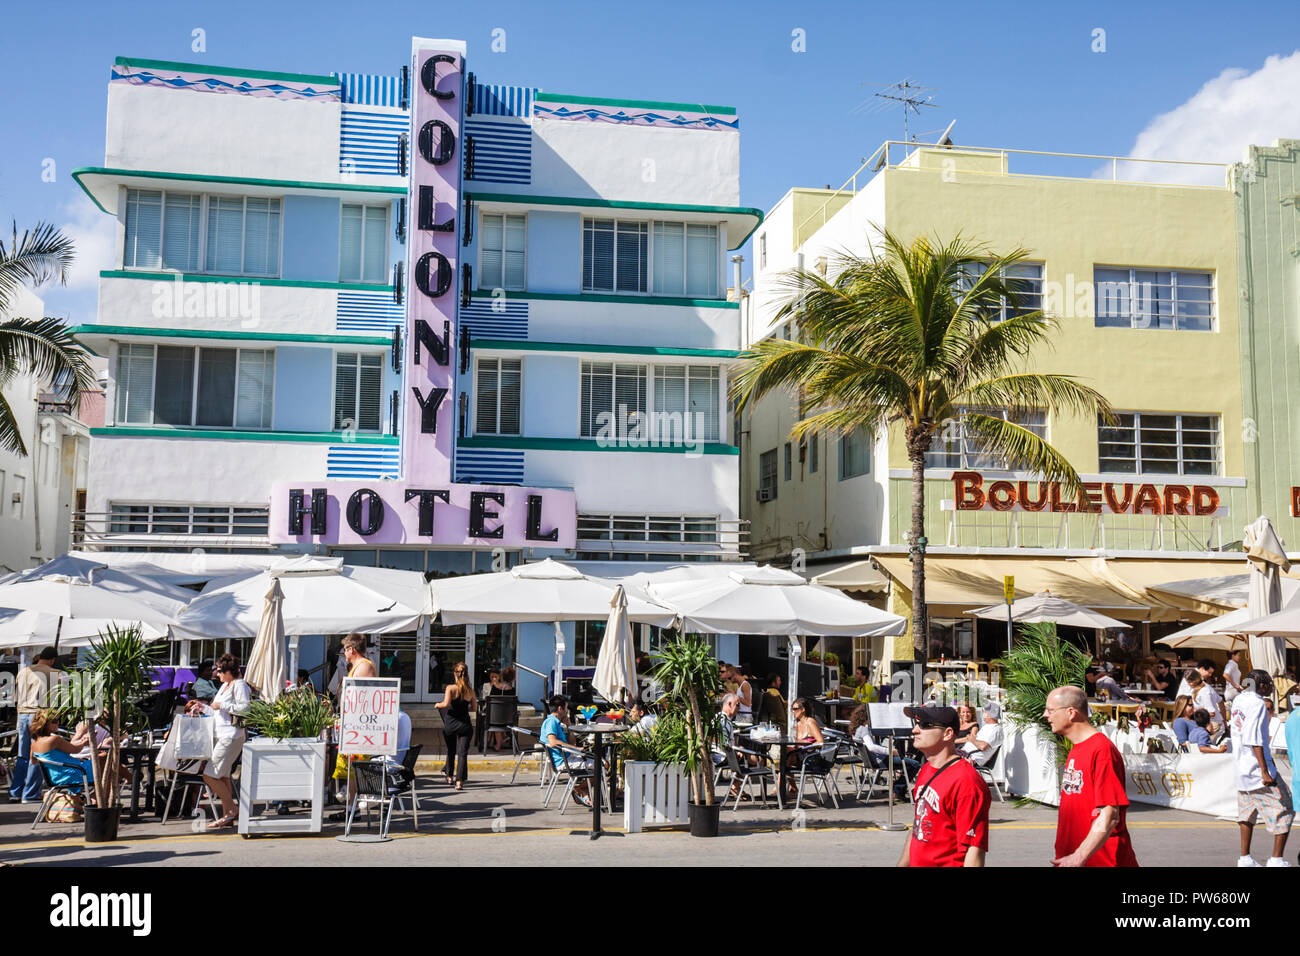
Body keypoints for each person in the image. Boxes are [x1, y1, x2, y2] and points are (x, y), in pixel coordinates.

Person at [1043, 685, 1139, 867]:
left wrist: (1079, 856)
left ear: (1071, 712)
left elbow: (1109, 814)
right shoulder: (1077, 750)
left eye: (1050, 710)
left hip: (1103, 861)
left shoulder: (1102, 750)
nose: (1045, 715)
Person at [896, 705, 990, 867]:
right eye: (916, 724)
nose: (915, 730)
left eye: (925, 725)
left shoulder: (967, 781)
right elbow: (917, 827)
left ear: (947, 734)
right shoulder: (926, 769)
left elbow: (974, 849)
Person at [1230, 669, 1293, 867]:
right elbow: (1254, 738)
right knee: (1286, 809)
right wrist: (1265, 770)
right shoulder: (1257, 703)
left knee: (1247, 813)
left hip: (1241, 768)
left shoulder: (1238, 700)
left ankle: (1245, 858)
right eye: (1268, 684)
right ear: (1262, 685)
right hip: (1257, 769)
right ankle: (1276, 860)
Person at [185, 653, 250, 830]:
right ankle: (227, 815)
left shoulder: (239, 685)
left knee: (209, 774)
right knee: (222, 776)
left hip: (231, 736)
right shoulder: (224, 686)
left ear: (230, 672)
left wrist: (221, 705)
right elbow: (215, 711)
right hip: (221, 735)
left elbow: (245, 709)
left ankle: (232, 810)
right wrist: (202, 707)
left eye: (220, 671)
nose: (217, 674)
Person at [10, 646, 67, 804]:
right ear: (53, 660)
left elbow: (15, 696)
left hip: (22, 714)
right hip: (38, 715)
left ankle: (15, 791)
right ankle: (30, 793)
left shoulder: (23, 672)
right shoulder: (55, 674)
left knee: (22, 755)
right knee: (38, 753)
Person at [849, 704, 918, 797]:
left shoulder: (858, 728)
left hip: (872, 760)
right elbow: (871, 747)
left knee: (908, 762)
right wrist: (890, 751)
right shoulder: (864, 729)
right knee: (915, 764)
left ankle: (898, 788)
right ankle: (897, 790)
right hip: (879, 760)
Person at [540, 695, 594, 807]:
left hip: (567, 758)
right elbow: (553, 742)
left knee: (598, 761)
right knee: (603, 764)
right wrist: (576, 749)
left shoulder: (557, 722)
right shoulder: (551, 722)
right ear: (560, 709)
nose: (567, 710)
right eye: (566, 708)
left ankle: (581, 789)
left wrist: (569, 727)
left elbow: (572, 742)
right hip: (564, 762)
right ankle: (579, 789)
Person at [29, 711, 94, 802]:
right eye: (54, 721)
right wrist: (84, 741)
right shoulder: (54, 739)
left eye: (58, 720)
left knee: (104, 761)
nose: (58, 723)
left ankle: (86, 800)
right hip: (74, 774)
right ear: (45, 724)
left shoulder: (34, 743)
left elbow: (34, 761)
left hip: (56, 777)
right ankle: (95, 800)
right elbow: (75, 750)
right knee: (105, 760)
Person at [435, 661, 476, 790]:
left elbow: (446, 704)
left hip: (451, 724)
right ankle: (459, 782)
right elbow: (474, 708)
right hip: (465, 724)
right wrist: (464, 709)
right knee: (462, 753)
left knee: (451, 750)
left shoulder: (450, 688)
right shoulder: (470, 691)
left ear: (455, 674)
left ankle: (449, 776)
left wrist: (437, 704)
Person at [961, 701, 1003, 768]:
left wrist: (972, 739)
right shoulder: (988, 726)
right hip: (964, 753)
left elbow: (983, 746)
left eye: (985, 712)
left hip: (971, 758)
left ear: (989, 714)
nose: (983, 714)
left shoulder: (996, 730)